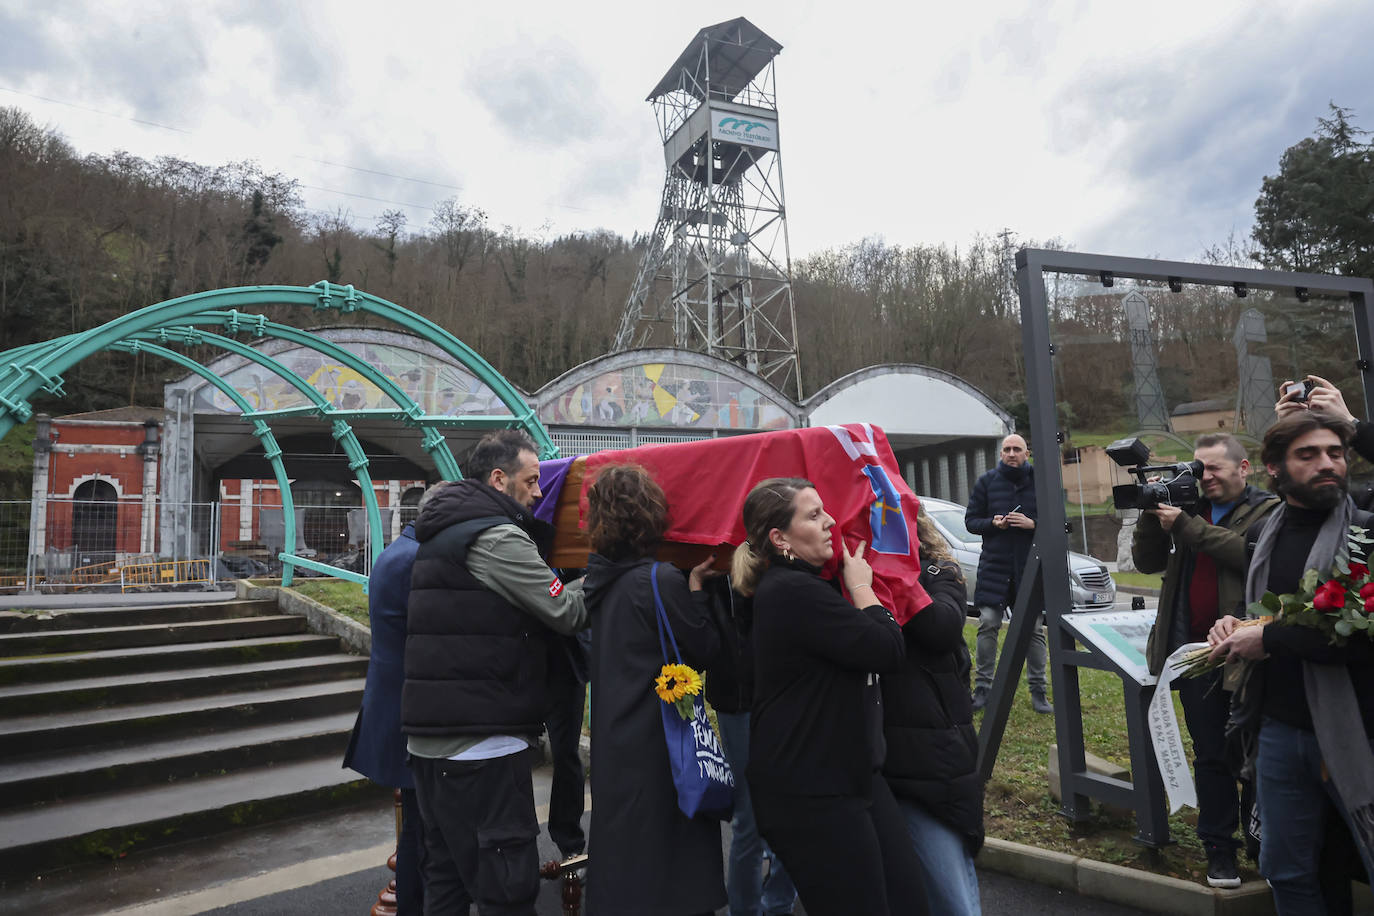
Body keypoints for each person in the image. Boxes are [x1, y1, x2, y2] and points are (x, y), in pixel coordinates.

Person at [402, 429, 588, 915]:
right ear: (500, 478)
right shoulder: (497, 536)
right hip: (482, 747)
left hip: (431, 743)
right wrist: (612, 572)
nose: (540, 492)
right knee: (507, 887)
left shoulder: (443, 531)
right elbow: (566, 611)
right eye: (531, 480)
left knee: (446, 881)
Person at [736, 477, 928, 916]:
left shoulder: (806, 586)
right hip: (810, 793)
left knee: (909, 901)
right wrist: (862, 587)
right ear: (779, 538)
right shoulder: (791, 592)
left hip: (849, 777)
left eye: (825, 510)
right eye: (814, 515)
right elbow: (887, 649)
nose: (830, 522)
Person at [1207, 412, 1374, 912]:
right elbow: (1263, 614)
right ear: (1274, 468)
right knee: (1286, 868)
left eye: (1336, 453)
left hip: (1359, 731)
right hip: (1280, 731)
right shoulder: (1263, 537)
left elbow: (1361, 635)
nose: (1327, 464)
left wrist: (1271, 639)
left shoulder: (1365, 536)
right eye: (1309, 455)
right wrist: (1234, 625)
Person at [1133, 433, 1278, 888]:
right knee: (1211, 755)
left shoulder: (1268, 511)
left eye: (1214, 468)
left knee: (1253, 753)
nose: (1204, 477)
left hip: (1249, 651)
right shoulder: (1186, 507)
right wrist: (1150, 510)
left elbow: (1249, 556)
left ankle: (1261, 843)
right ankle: (1220, 849)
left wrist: (1185, 525)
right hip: (1194, 651)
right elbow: (1144, 561)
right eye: (1198, 468)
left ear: (1244, 468)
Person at [580, 464, 726, 915]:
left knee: (627, 865)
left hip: (615, 742)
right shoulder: (658, 580)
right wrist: (699, 590)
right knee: (669, 871)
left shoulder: (598, 583)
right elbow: (704, 650)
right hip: (660, 748)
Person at [343, 481, 450, 916]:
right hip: (407, 711)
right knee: (421, 834)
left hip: (390, 705)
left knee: (418, 829)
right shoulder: (417, 560)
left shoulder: (398, 552)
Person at [881, 506, 984, 915]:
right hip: (881, 751)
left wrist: (892, 576)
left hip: (932, 755)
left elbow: (941, 628)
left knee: (949, 892)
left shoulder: (938, 570)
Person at [704, 577, 798, 916]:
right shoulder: (722, 561)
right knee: (751, 817)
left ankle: (778, 904)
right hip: (740, 699)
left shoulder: (787, 547)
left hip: (789, 696)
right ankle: (745, 909)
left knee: (794, 810)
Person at [965, 433, 1048, 714]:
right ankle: (982, 691)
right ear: (1001, 454)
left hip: (1029, 568)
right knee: (988, 624)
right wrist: (993, 523)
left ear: (1027, 453)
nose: (1011, 454)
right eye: (1007, 449)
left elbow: (1059, 522)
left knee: (1034, 630)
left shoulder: (1042, 481)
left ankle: (1040, 693)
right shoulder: (986, 482)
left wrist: (1032, 523)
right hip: (994, 569)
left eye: (1017, 449)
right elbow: (971, 521)